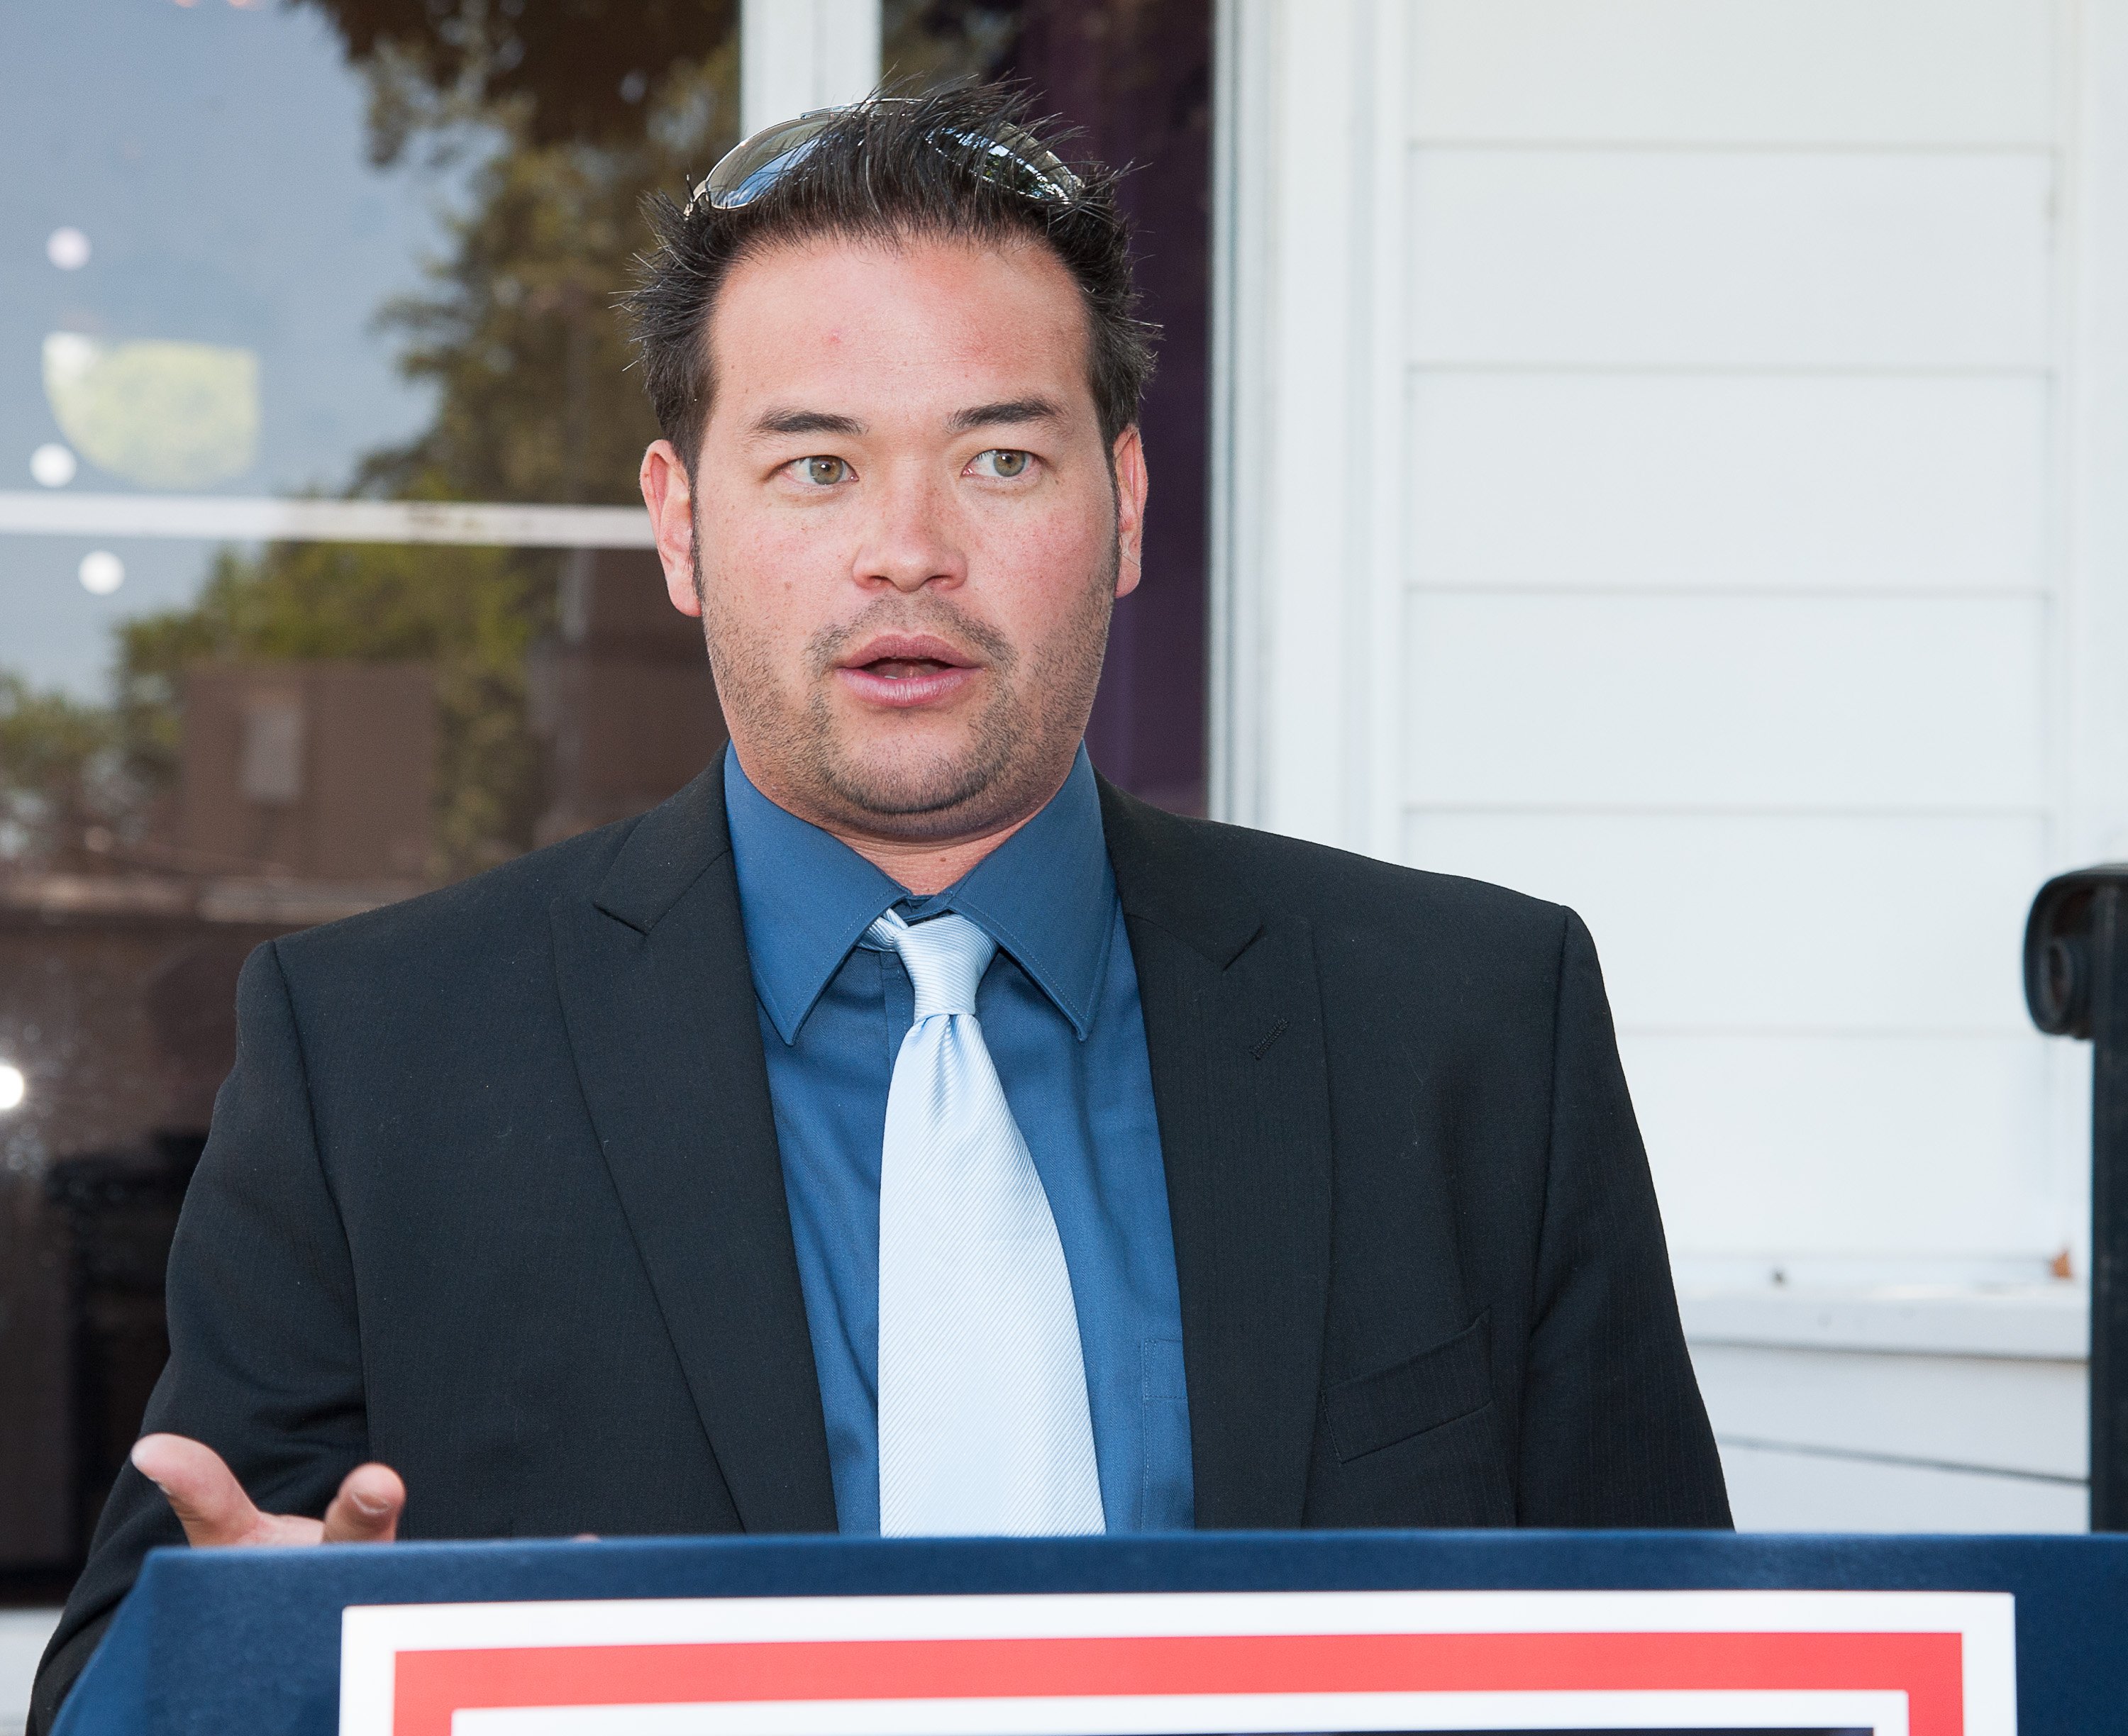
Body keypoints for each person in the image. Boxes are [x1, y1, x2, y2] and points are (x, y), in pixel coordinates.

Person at [30, 85, 1728, 1732]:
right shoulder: (371, 1058)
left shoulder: (1476, 1020)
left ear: (1126, 508)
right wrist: (255, 1670)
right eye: (818, 466)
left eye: (999, 457)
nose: (906, 549)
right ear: (681, 525)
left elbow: (1712, 1688)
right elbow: (114, 1686)